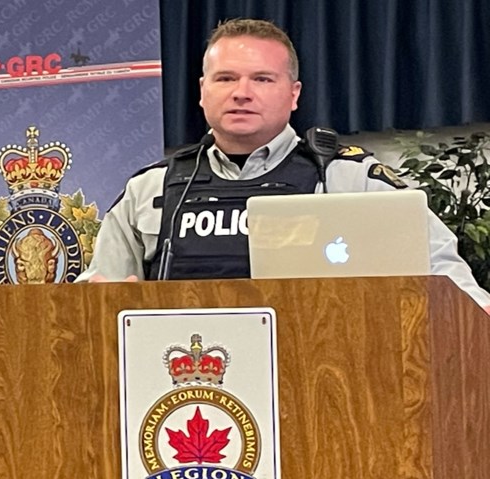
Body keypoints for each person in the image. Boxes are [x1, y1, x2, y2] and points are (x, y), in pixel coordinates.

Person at [77, 18, 490, 311]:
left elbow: (457, 294)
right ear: (202, 91)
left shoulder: (351, 180)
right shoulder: (149, 190)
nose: (242, 93)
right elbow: (94, 299)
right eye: (225, 79)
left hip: (327, 393)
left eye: (262, 79)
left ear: (294, 94)